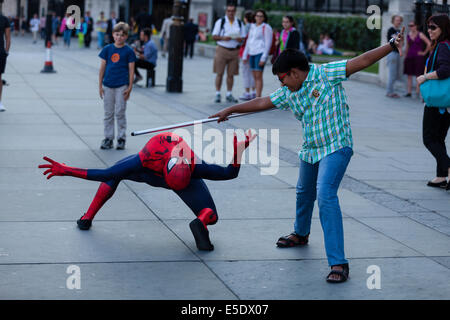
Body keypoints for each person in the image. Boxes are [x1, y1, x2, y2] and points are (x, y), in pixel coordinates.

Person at [210, 29, 405, 283]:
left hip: (336, 145)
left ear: (294, 72)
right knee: (303, 191)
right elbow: (261, 102)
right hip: (311, 148)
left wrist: (391, 45)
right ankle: (301, 234)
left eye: (282, 78)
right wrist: (231, 109)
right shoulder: (289, 91)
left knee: (325, 194)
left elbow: (362, 61)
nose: (281, 84)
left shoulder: (326, 74)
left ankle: (339, 262)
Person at [38, 130, 256, 251]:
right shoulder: (148, 155)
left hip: (165, 175)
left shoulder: (191, 164)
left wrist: (240, 149)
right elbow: (229, 173)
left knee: (116, 174)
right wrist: (67, 170)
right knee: (117, 173)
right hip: (147, 172)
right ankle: (88, 215)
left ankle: (86, 218)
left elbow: (106, 174)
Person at [417, 14, 450, 190]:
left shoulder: (443, 47)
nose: (429, 31)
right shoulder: (444, 45)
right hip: (445, 102)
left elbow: (445, 70)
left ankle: (448, 168)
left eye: (433, 28)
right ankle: (441, 175)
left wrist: (425, 77)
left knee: (429, 139)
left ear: (443, 29)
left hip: (438, 102)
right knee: (438, 138)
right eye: (428, 27)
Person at [98, 22, 136, 150]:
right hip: (108, 85)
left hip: (121, 86)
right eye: (117, 34)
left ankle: (121, 138)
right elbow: (102, 68)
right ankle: (108, 138)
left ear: (126, 36)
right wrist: (100, 86)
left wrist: (130, 87)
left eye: (122, 35)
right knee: (108, 113)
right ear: (113, 35)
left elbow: (131, 70)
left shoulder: (129, 51)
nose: (119, 37)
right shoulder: (107, 49)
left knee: (120, 112)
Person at [211, 3, 245, 103]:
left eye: (232, 11)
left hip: (234, 50)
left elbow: (243, 37)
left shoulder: (239, 23)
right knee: (219, 73)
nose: (230, 13)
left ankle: (229, 93)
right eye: (228, 11)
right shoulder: (220, 22)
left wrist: (240, 39)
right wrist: (223, 38)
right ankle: (218, 93)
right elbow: (214, 36)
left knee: (231, 74)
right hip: (222, 49)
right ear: (226, 12)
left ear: (235, 12)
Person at [242, 9, 272, 99]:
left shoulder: (266, 27)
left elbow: (268, 43)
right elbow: (248, 41)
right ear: (254, 17)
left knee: (258, 76)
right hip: (252, 53)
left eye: (261, 16)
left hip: (260, 53)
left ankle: (258, 97)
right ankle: (255, 94)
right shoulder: (252, 26)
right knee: (254, 75)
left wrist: (264, 57)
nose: (259, 18)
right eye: (257, 16)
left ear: (264, 18)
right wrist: (244, 54)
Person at [403, 21, 431, 98]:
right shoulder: (408, 35)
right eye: (409, 25)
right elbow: (407, 47)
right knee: (409, 75)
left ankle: (417, 92)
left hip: (418, 58)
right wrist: (405, 56)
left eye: (412, 25)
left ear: (416, 26)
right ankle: (409, 92)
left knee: (418, 74)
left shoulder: (420, 34)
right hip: (409, 57)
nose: (411, 27)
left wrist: (424, 53)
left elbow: (429, 43)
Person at [239, 10, 256, 101]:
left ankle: (247, 92)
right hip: (254, 51)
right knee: (253, 73)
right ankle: (253, 91)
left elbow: (242, 40)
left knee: (245, 73)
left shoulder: (246, 27)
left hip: (245, 51)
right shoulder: (255, 26)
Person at [386, 15, 404, 98]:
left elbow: (401, 43)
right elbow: (392, 41)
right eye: (397, 20)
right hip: (392, 53)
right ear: (393, 21)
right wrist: (399, 37)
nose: (398, 22)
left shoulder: (399, 31)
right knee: (392, 73)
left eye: (400, 20)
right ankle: (389, 92)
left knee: (395, 74)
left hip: (397, 53)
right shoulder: (391, 30)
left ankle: (392, 91)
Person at [0, 13, 11, 112]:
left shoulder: (4, 19)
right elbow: (8, 37)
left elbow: (8, 37)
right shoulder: (5, 19)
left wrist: (6, 51)